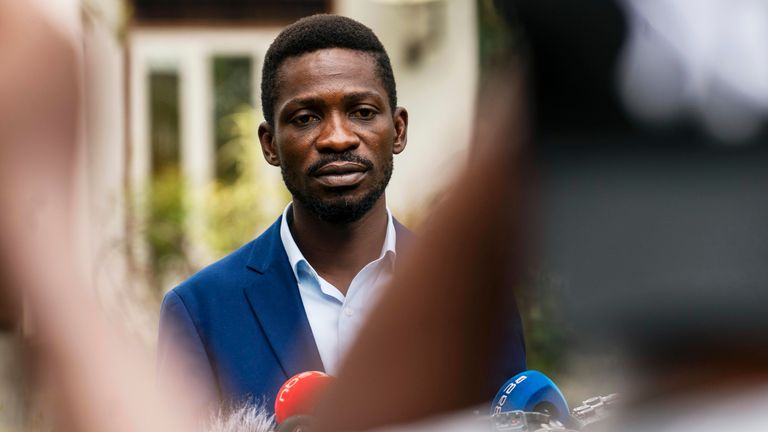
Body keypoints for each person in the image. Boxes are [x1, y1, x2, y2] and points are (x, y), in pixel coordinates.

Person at [159, 13, 528, 415]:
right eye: (306, 118)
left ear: (399, 130)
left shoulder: (474, 295)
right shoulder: (200, 312)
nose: (337, 137)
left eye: (362, 112)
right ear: (270, 144)